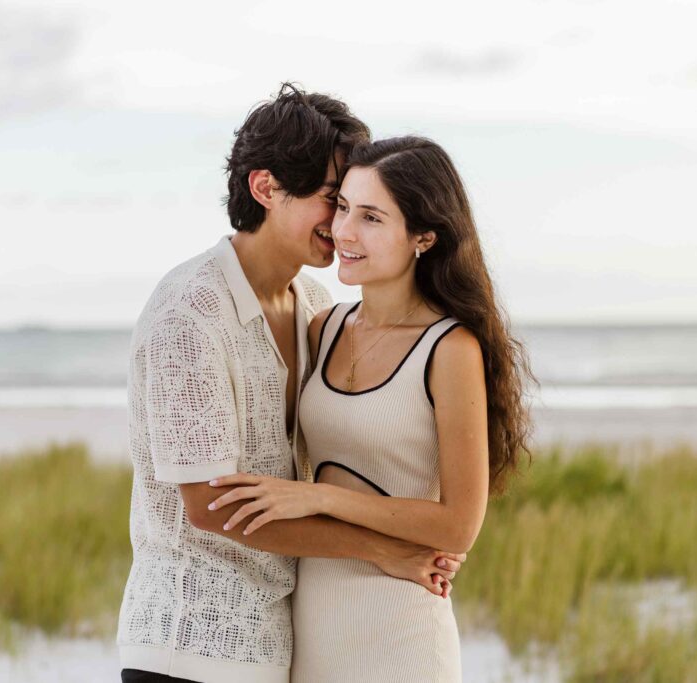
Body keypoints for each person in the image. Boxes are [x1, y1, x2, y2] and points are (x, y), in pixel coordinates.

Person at [116, 88, 466, 683]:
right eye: (332, 200)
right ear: (265, 188)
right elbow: (209, 507)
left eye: (354, 205)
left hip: (277, 647)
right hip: (186, 648)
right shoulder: (189, 312)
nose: (343, 224)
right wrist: (380, 548)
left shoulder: (314, 304)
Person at [206, 136, 535, 682]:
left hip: (402, 627)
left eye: (372, 218)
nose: (344, 232)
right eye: (342, 208)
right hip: (314, 622)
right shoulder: (323, 327)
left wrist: (317, 497)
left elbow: (458, 527)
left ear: (424, 237)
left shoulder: (449, 349)